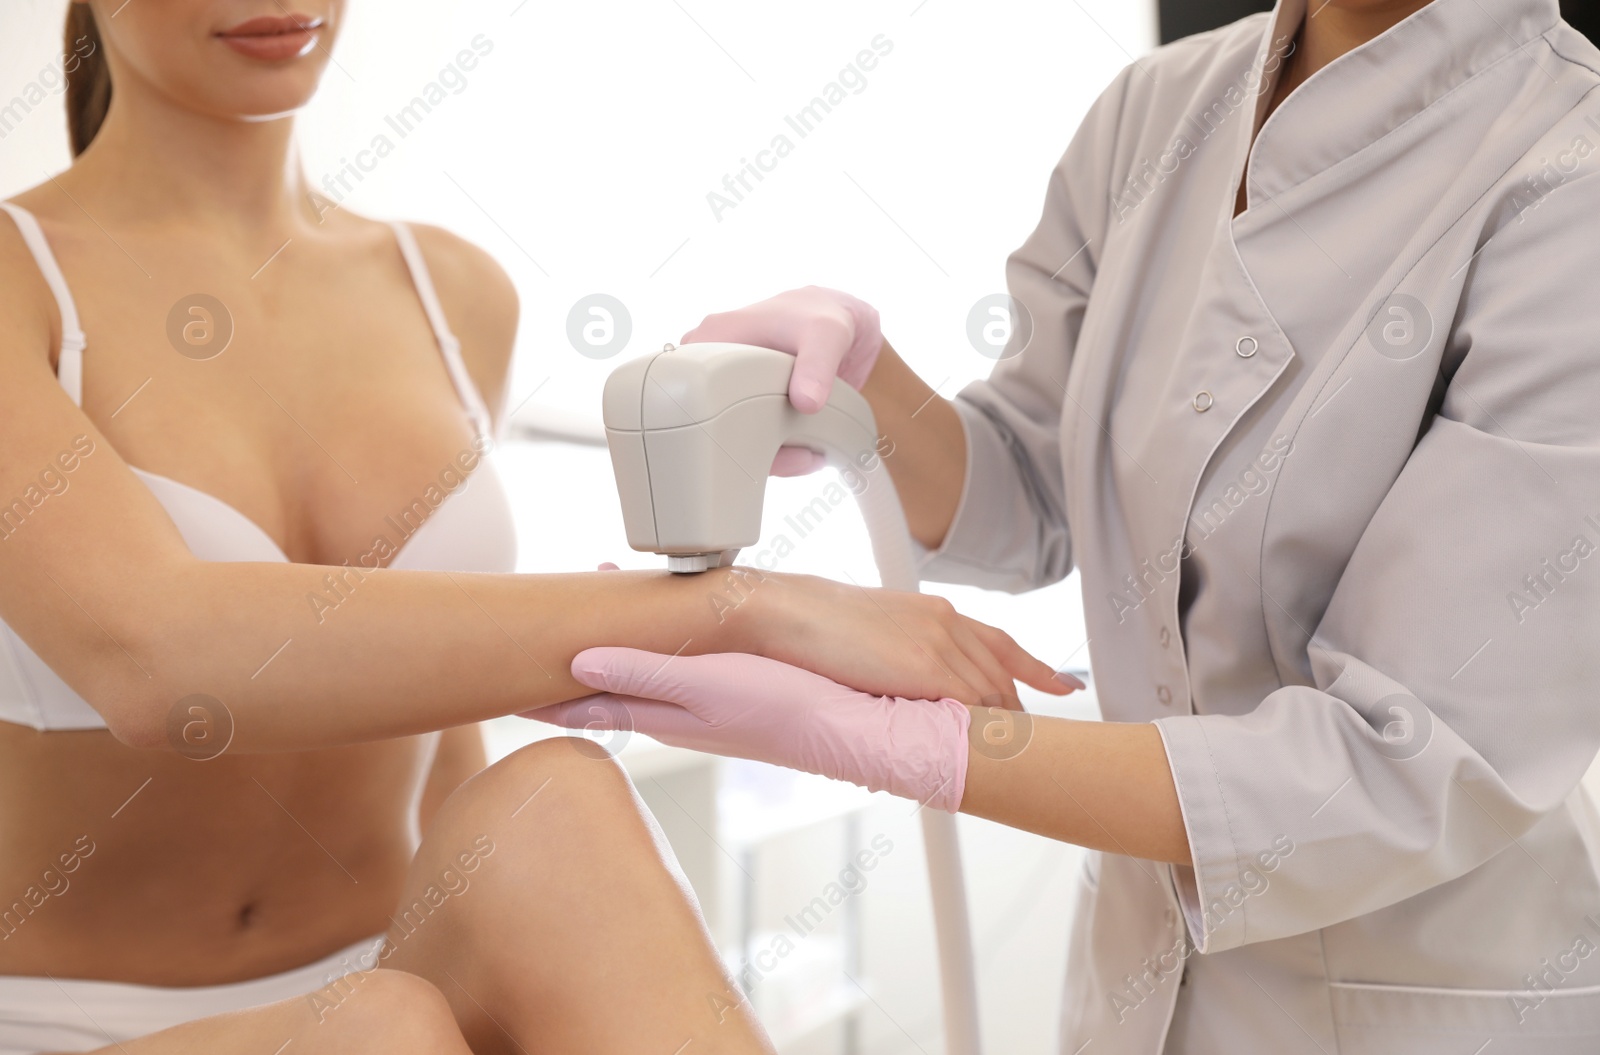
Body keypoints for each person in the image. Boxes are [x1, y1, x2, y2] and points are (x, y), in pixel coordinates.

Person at [0, 3, 1069, 1053]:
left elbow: (437, 712)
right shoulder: (22, 276)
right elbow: (155, 656)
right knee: (376, 1030)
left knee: (551, 800)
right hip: (80, 1016)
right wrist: (739, 609)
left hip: (392, 976)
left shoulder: (451, 290)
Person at [542, 0, 1600, 1050]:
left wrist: (902, 739)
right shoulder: (1158, 110)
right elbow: (1038, 487)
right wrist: (865, 392)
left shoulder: (1566, 179)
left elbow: (1401, 759)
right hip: (1132, 994)